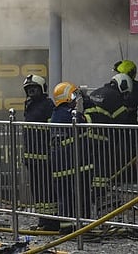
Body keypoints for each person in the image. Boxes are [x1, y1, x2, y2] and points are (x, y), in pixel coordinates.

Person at [49, 81, 92, 232]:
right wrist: (87, 102)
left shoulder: (56, 113)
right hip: (74, 162)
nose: (75, 99)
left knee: (65, 196)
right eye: (74, 95)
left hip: (61, 163)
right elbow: (87, 121)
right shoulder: (70, 115)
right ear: (68, 97)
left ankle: (67, 227)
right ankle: (83, 226)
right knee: (81, 194)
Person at [83, 73, 134, 197]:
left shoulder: (96, 92)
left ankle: (89, 193)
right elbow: (122, 118)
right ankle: (99, 195)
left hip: (86, 135)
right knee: (102, 168)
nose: (125, 96)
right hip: (101, 137)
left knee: (90, 166)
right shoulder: (115, 96)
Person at [21, 74, 57, 231]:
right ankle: (42, 220)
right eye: (28, 89)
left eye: (34, 89)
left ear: (42, 89)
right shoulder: (29, 104)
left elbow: (52, 129)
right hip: (31, 156)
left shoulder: (48, 105)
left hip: (44, 156)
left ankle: (51, 222)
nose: (31, 92)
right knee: (37, 190)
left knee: (47, 190)